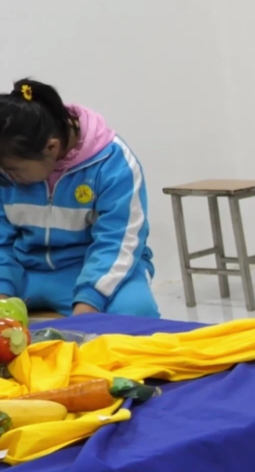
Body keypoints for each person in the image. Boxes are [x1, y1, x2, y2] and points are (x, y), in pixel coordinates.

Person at [0, 79, 157, 318]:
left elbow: (118, 242)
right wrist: (3, 296)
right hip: (25, 272)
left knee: (135, 312)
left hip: (91, 270)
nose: (7, 177)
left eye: (13, 170)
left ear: (51, 148)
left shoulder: (114, 163)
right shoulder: (6, 166)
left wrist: (89, 303)